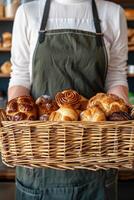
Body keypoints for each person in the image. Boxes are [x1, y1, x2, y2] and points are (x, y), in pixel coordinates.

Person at [8, 0, 129, 199]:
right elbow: (20, 76)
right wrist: (20, 127)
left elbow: (116, 76)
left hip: (96, 156)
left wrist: (117, 120)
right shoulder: (28, 12)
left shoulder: (113, 14)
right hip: (39, 160)